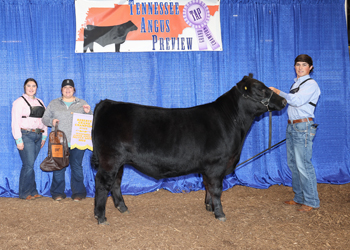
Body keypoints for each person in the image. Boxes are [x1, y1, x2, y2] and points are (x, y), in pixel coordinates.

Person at [270, 54, 321, 212]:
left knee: (303, 164)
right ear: (294, 67)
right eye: (298, 64)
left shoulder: (311, 84)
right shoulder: (297, 84)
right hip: (292, 127)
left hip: (303, 127)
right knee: (294, 164)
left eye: (304, 65)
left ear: (310, 68)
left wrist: (279, 92)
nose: (300, 67)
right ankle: (299, 197)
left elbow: (297, 101)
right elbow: (292, 101)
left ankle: (311, 201)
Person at [42, 79, 92, 202]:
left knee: (77, 167)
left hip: (78, 141)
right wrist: (51, 121)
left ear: (74, 90)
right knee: (58, 167)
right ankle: (57, 192)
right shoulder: (54, 103)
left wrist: (88, 112)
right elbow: (44, 118)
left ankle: (79, 193)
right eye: (65, 88)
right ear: (61, 90)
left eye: (70, 88)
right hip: (59, 141)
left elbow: (89, 121)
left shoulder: (82, 103)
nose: (68, 90)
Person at [11, 78, 48, 200]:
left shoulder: (40, 102)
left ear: (36, 88)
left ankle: (32, 191)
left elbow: (44, 120)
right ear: (24, 87)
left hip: (38, 136)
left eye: (34, 86)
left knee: (29, 165)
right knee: (29, 165)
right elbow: (15, 122)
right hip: (25, 135)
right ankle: (24, 193)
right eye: (29, 86)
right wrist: (18, 140)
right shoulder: (19, 102)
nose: (31, 88)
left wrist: (44, 136)